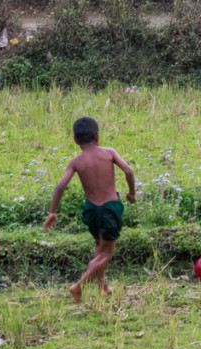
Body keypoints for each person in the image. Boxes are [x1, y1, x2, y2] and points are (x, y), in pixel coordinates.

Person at [43, 117, 136, 303]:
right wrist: (132, 193)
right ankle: (79, 286)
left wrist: (52, 212)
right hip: (109, 208)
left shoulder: (75, 162)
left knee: (99, 247)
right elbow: (129, 171)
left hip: (91, 210)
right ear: (97, 136)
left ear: (76, 140)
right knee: (106, 253)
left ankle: (102, 286)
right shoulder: (109, 153)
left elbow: (61, 186)